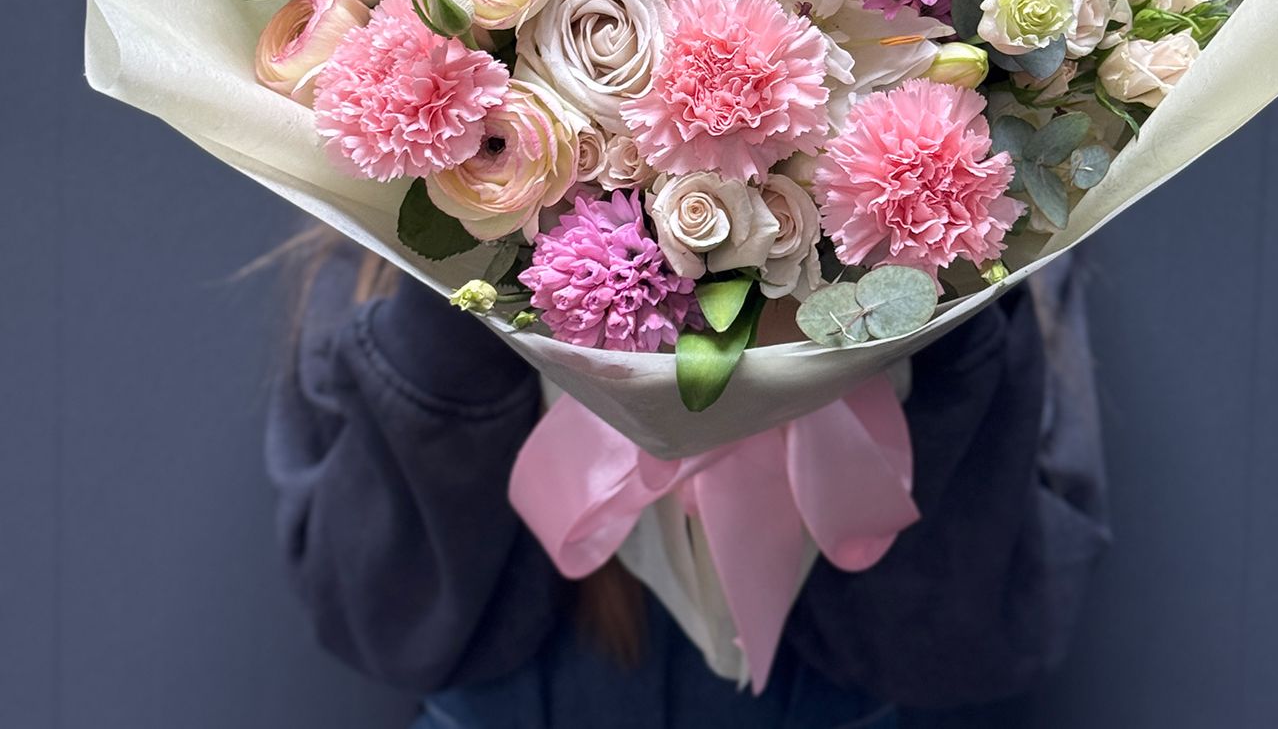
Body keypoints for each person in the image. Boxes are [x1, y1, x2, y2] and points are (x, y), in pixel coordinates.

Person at [266, 233, 1109, 728]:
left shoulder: (988, 251)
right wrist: (466, 266)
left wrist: (931, 300)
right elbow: (379, 621)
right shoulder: (382, 228)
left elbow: (982, 641)